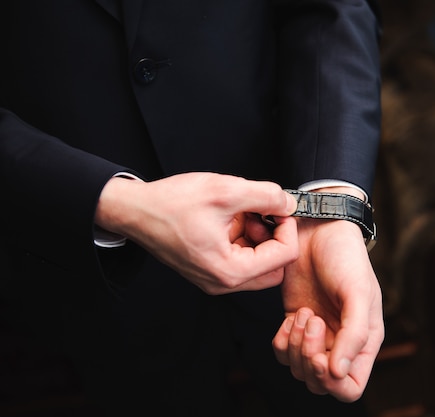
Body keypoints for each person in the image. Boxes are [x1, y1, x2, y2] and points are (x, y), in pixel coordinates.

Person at [0, 0, 383, 416]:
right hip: (71, 277)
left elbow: (328, 10)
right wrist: (118, 204)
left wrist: (332, 208)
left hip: (291, 252)